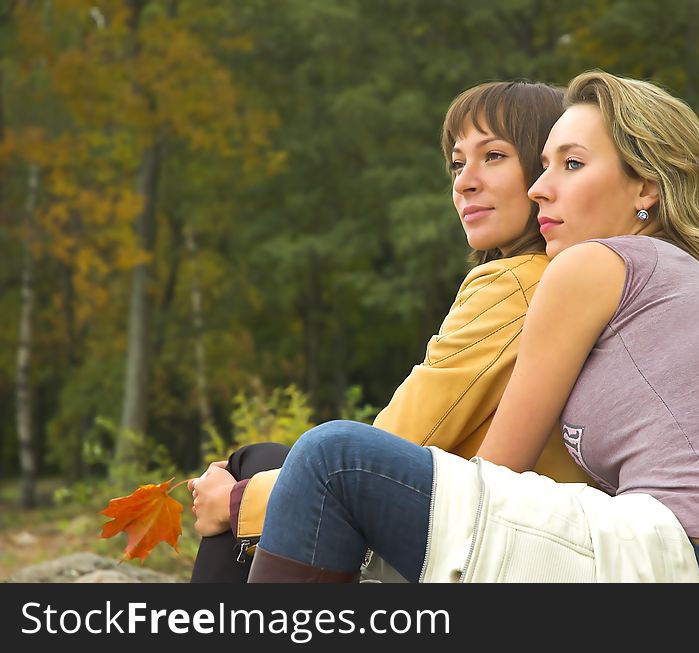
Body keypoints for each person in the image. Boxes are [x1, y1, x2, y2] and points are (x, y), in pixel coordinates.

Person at [247, 69, 699, 584]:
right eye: (543, 165)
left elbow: (491, 485)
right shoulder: (697, 286)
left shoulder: (595, 265)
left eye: (571, 165)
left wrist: (255, 505)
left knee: (335, 460)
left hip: (688, 567)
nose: (539, 188)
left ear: (647, 186)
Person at [187, 80, 595, 582]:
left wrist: (236, 503)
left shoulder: (520, 284)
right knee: (265, 459)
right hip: (520, 528)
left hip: (499, 550)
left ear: (543, 171)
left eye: (493, 156)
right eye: (457, 163)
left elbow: (390, 442)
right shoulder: (564, 278)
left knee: (253, 476)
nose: (465, 181)